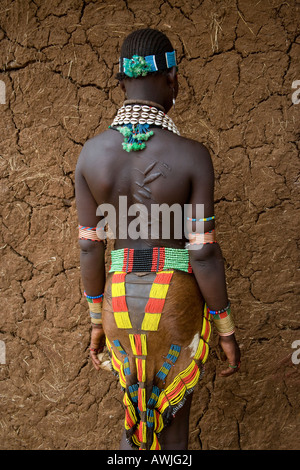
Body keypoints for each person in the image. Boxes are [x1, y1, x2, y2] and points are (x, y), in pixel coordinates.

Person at [75, 28, 241, 451]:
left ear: (121, 82)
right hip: (173, 303)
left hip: (118, 305)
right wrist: (225, 328)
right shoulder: (192, 155)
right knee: (173, 432)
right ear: (172, 80)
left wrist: (97, 320)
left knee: (138, 419)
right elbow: (202, 254)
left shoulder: (90, 156)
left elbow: (90, 246)